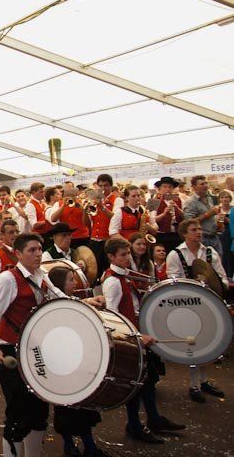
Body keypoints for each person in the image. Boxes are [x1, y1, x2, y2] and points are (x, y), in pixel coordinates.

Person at [0, 233, 104, 457]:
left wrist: (86, 302)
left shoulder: (42, 275)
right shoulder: (8, 279)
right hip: (11, 351)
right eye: (32, 250)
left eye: (39, 249)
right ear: (18, 254)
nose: (38, 253)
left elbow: (60, 299)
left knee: (38, 413)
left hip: (35, 350)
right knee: (18, 414)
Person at [101, 238, 185, 445]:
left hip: (137, 336)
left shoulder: (125, 276)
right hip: (129, 340)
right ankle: (135, 425)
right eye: (122, 255)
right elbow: (112, 318)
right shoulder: (112, 281)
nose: (127, 258)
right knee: (135, 385)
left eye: (128, 253)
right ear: (111, 257)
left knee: (148, 382)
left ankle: (154, 419)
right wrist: (137, 337)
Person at [166, 218, 231, 402]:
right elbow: (172, 282)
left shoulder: (210, 252)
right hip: (187, 305)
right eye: (194, 229)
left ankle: (203, 381)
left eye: (200, 229)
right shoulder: (176, 254)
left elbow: (222, 278)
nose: (199, 232)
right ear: (184, 234)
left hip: (209, 304)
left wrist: (217, 284)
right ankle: (194, 385)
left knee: (207, 343)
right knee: (193, 345)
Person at [46, 266, 105, 456]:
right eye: (71, 280)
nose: (75, 283)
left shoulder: (69, 302)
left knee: (82, 408)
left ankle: (87, 446)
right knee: (67, 409)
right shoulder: (54, 309)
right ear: (59, 285)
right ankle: (71, 445)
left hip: (76, 363)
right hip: (63, 366)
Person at [184, 175, 223, 256]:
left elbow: (212, 216)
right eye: (202, 184)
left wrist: (217, 223)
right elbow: (188, 222)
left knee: (218, 261)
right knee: (204, 262)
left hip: (214, 237)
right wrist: (207, 215)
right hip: (202, 238)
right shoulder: (191, 202)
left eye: (206, 183)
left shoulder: (209, 198)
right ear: (194, 187)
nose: (205, 186)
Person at [152, 176, 184, 253]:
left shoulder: (179, 199)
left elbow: (185, 217)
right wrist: (164, 213)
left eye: (170, 187)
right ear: (160, 188)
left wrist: (177, 209)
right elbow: (152, 220)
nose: (167, 189)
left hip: (177, 235)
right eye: (165, 187)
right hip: (161, 235)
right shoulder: (153, 201)